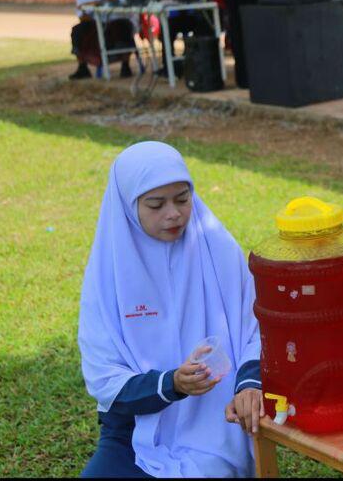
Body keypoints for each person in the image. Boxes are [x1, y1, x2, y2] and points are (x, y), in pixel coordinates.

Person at [78, 141, 263, 477]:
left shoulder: (218, 249)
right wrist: (172, 383)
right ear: (128, 207)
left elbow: (257, 329)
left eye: (182, 198)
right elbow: (103, 378)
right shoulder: (108, 275)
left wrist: (248, 384)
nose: (174, 213)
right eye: (156, 204)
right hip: (133, 431)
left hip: (216, 424)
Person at [70, 0, 135, 80]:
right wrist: (89, 14)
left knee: (122, 27)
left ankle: (125, 65)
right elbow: (81, 13)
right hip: (94, 22)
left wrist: (95, 3)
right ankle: (83, 68)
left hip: (116, 18)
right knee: (78, 30)